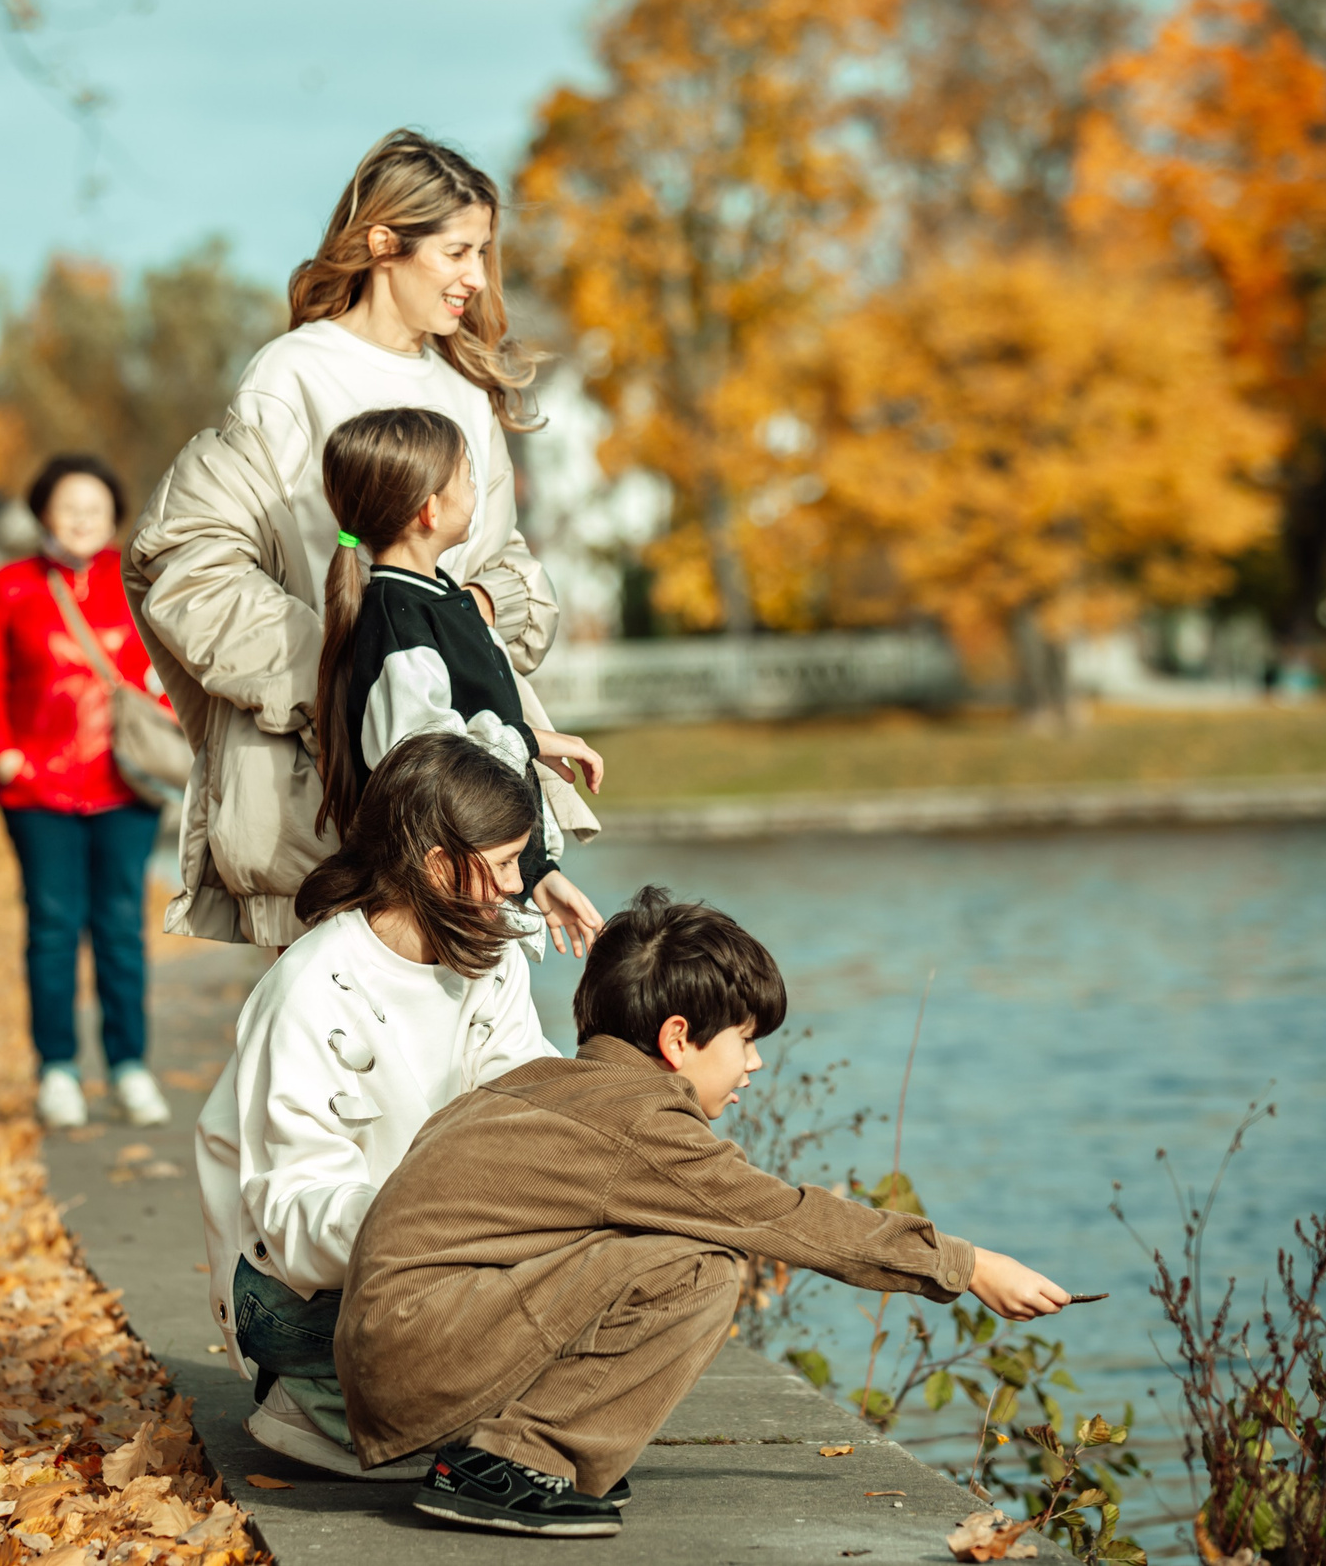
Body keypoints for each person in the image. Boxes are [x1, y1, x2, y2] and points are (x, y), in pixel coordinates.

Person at [335, 887, 1073, 1539]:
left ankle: (520, 1451)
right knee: (703, 1267)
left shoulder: (545, 1082)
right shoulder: (641, 1123)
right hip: (420, 1355)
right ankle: (514, 1464)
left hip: (390, 1351)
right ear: (678, 1038)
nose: (754, 1063)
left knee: (671, 1239)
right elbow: (789, 1218)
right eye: (746, 1040)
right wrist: (970, 1265)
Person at [126, 128, 595, 954]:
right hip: (328, 794)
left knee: (478, 1062)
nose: (476, 279)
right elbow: (192, 567)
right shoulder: (290, 377)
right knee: (338, 1056)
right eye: (456, 252)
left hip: (473, 809)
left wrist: (467, 616)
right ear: (384, 243)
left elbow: (510, 568)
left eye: (483, 253)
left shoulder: (467, 393)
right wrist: (352, 672)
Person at [196, 731, 557, 1482]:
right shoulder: (311, 988)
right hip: (293, 1290)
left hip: (427, 1250)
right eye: (501, 865)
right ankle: (322, 1403)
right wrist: (439, 1223)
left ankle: (418, 1405)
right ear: (436, 866)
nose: (519, 885)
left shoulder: (492, 961)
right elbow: (295, 1216)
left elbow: (533, 1105)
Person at [315, 405, 606, 955]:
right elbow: (424, 757)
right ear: (430, 509)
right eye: (468, 478)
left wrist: (536, 873)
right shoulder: (397, 615)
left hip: (479, 895)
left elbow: (480, 775)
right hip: (438, 911)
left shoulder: (439, 598)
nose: (477, 489)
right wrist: (531, 740)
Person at [0, 454, 174, 1132]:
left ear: (114, 517)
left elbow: (174, 665)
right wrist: (6, 760)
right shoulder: (11, 586)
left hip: (125, 787)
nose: (82, 518)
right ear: (43, 513)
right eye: (68, 505)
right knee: (52, 930)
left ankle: (129, 1066)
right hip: (40, 793)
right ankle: (56, 1069)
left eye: (95, 507)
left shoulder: (138, 583)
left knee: (120, 929)